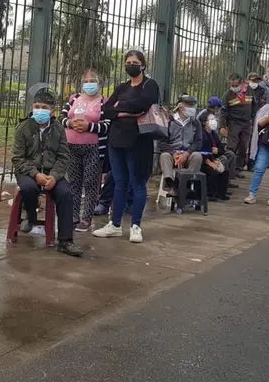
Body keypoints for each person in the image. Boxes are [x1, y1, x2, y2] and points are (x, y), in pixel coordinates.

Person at [93, 50, 160, 244]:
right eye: (128, 62)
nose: (131, 65)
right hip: (116, 140)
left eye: (135, 62)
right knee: (119, 183)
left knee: (137, 183)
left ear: (143, 65)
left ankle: (136, 226)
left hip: (138, 141)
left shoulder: (150, 85)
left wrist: (121, 108)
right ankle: (114, 225)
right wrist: (127, 111)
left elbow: (144, 103)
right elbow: (106, 109)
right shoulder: (122, 87)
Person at [12, 89, 83, 257]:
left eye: (44, 107)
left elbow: (64, 156)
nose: (40, 110)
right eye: (37, 106)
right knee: (29, 189)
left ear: (52, 111)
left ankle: (66, 240)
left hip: (52, 171)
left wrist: (55, 176)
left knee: (65, 193)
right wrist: (35, 174)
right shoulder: (24, 127)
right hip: (28, 171)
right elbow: (17, 158)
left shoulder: (58, 129)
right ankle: (30, 214)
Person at [60, 70, 109, 233]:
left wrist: (90, 127)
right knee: (73, 183)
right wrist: (69, 123)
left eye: (93, 80)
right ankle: (73, 215)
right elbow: (61, 117)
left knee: (90, 182)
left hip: (93, 148)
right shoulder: (74, 99)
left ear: (99, 83)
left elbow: (108, 125)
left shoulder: (103, 102)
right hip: (71, 146)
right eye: (86, 81)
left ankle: (86, 217)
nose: (89, 83)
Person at [157, 94, 204, 193]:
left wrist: (186, 154)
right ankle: (169, 184)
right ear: (181, 108)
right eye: (190, 106)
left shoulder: (196, 123)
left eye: (193, 106)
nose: (192, 109)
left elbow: (198, 143)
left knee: (197, 156)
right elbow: (162, 143)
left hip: (188, 154)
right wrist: (174, 154)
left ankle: (186, 184)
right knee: (164, 156)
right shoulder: (169, 121)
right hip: (172, 154)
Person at [222, 73, 254, 176]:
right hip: (233, 123)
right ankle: (229, 170)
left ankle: (238, 168)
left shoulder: (249, 91)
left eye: (236, 85)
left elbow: (255, 104)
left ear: (241, 83)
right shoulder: (227, 95)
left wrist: (252, 117)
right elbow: (223, 111)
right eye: (232, 85)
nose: (234, 88)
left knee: (243, 146)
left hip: (246, 122)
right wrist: (222, 126)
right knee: (232, 146)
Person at [197, 111, 231, 202]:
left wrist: (217, 151)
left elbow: (221, 148)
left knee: (225, 171)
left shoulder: (213, 134)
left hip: (212, 158)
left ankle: (221, 194)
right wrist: (210, 163)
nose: (214, 121)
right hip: (202, 161)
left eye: (214, 119)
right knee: (212, 171)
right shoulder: (201, 134)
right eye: (211, 119)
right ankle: (209, 194)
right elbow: (201, 151)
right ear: (205, 122)